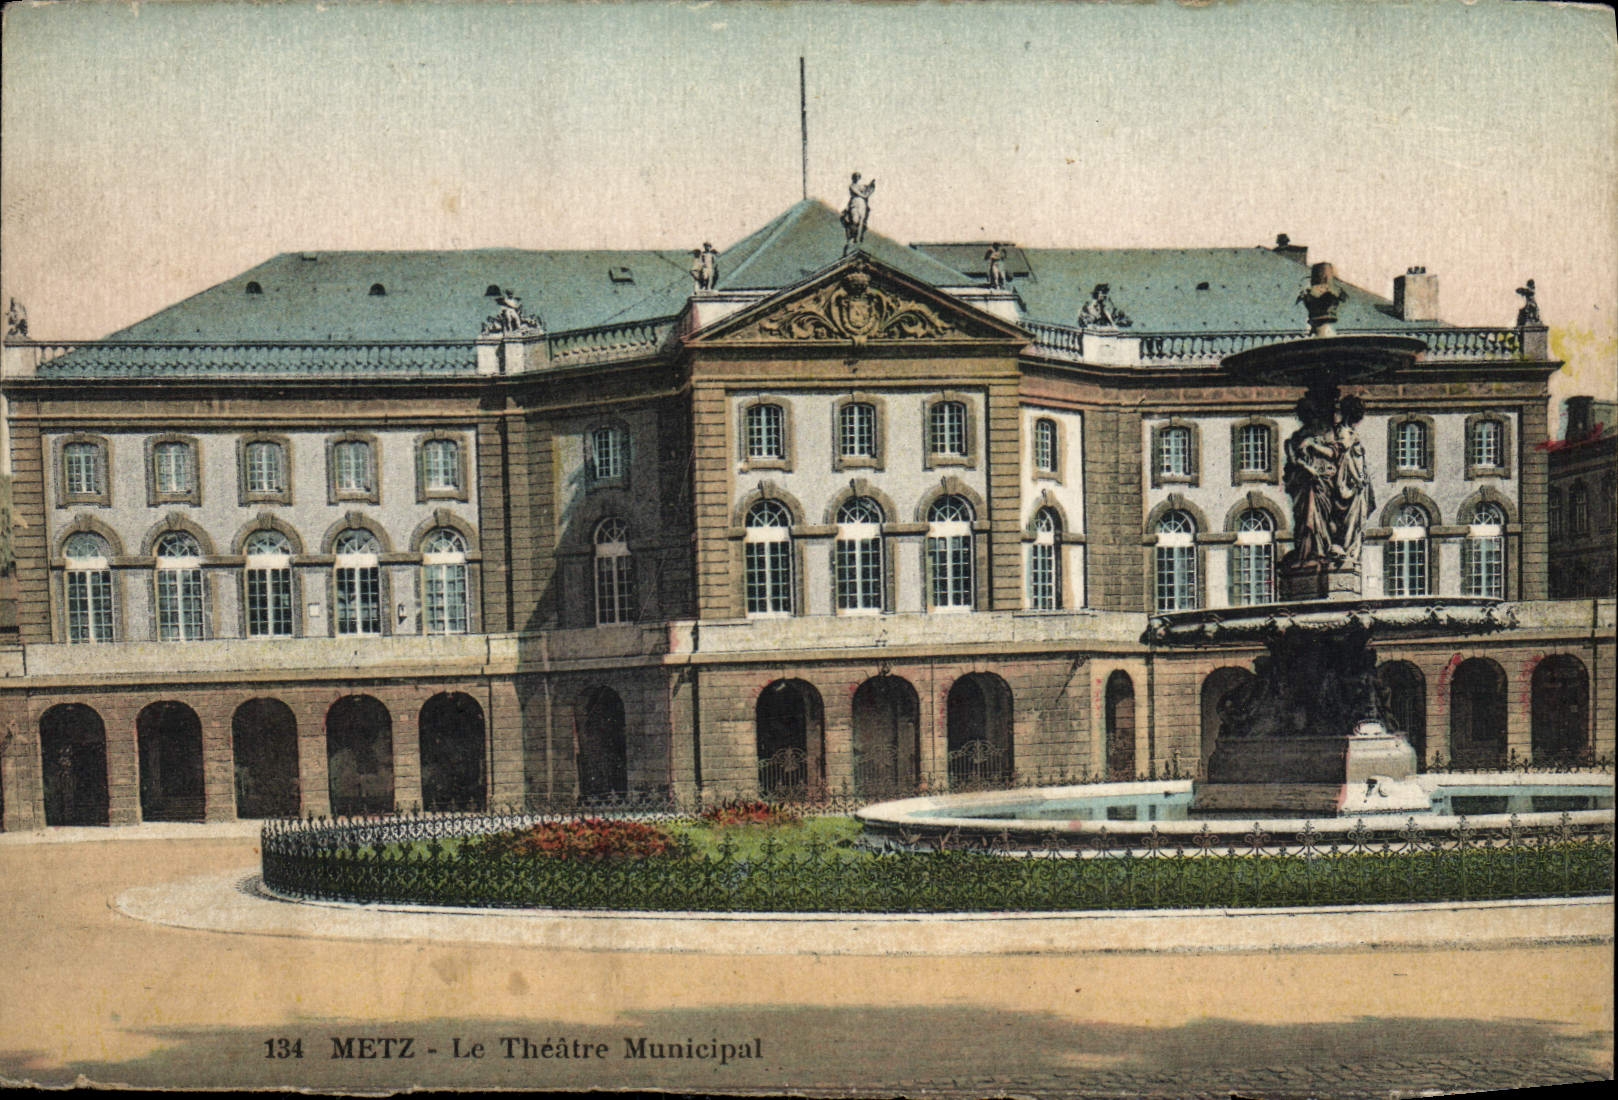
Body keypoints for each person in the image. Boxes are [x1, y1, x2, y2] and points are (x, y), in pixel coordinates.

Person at [1280, 392, 1340, 570]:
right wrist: (1306, 468)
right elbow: (1293, 461)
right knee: (1305, 518)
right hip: (1304, 484)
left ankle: (1322, 550)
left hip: (1323, 482)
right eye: (1304, 414)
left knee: (1322, 516)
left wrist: (1313, 445)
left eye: (1310, 413)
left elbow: (1334, 454)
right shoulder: (1296, 437)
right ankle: (1306, 553)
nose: (1307, 417)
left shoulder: (1327, 433)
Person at [1331, 395, 1374, 568]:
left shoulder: (1349, 432)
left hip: (1356, 483)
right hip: (1348, 482)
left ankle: (1350, 552)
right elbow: (1347, 455)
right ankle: (1346, 550)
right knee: (1349, 519)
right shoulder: (1343, 432)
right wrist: (1359, 479)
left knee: (1356, 521)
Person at [841, 172, 876, 252]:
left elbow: (869, 191)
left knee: (861, 221)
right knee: (854, 220)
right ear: (853, 178)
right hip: (854, 203)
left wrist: (872, 185)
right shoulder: (852, 186)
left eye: (858, 177)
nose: (856, 178)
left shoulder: (861, 186)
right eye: (855, 177)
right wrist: (865, 195)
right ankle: (852, 238)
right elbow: (859, 193)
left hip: (862, 204)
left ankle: (858, 239)